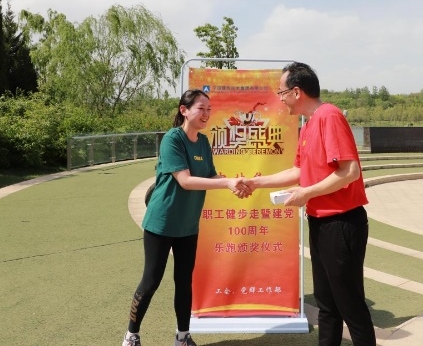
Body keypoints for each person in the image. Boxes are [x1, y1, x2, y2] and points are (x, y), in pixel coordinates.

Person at [246, 62, 376, 346]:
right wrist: (257, 183)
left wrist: (306, 193)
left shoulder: (329, 116)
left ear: (296, 92)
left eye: (282, 93)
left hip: (341, 223)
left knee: (350, 306)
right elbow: (299, 171)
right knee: (327, 305)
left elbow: (349, 171)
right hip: (320, 222)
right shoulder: (307, 126)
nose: (280, 99)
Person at [122, 89, 250, 346]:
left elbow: (211, 175)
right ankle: (131, 336)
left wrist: (234, 184)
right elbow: (186, 181)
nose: (206, 114)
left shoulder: (203, 142)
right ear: (184, 110)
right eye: (201, 108)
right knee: (151, 281)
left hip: (188, 226)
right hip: (161, 222)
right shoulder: (172, 139)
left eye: (209, 109)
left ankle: (182, 337)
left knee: (184, 282)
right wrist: (226, 183)